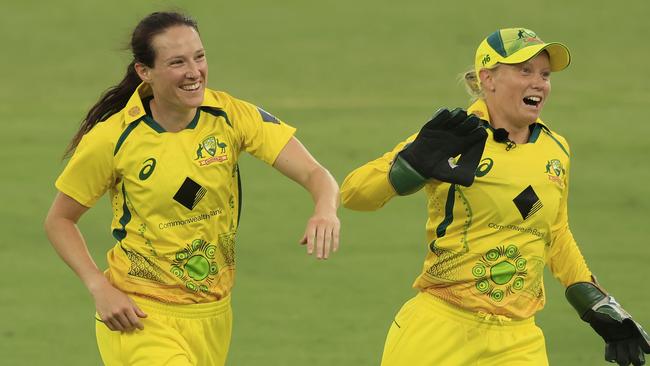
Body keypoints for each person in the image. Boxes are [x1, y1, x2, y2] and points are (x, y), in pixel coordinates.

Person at [44, 11, 340, 366]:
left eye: (199, 57)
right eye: (177, 62)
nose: (194, 72)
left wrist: (325, 209)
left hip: (214, 315)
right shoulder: (114, 138)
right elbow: (60, 220)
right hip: (139, 315)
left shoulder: (230, 116)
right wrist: (99, 288)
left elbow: (315, 174)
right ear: (145, 72)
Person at [341, 27, 649, 366]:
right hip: (440, 328)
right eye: (525, 71)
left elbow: (555, 232)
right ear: (488, 78)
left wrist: (593, 302)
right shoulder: (450, 137)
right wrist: (409, 166)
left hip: (518, 341)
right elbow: (354, 194)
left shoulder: (556, 149)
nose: (539, 83)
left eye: (545, 74)